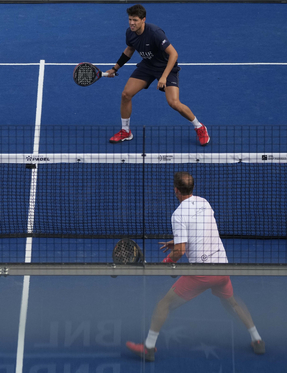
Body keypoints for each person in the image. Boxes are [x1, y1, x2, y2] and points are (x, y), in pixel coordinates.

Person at [126, 172, 265, 362]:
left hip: (202, 273)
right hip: (222, 267)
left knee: (164, 304)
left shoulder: (177, 215)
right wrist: (176, 242)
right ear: (192, 188)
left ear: (176, 190)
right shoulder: (204, 202)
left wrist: (167, 262)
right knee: (231, 302)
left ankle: (148, 347)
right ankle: (257, 339)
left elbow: (180, 252)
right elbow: (200, 228)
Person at [105, 4, 210, 146]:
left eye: (135, 20)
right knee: (126, 95)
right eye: (130, 19)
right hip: (147, 66)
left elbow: (174, 54)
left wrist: (164, 77)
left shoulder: (155, 33)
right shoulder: (130, 33)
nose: (131, 23)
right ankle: (125, 131)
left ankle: (199, 127)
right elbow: (130, 49)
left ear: (143, 20)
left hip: (166, 68)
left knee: (174, 103)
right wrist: (115, 68)